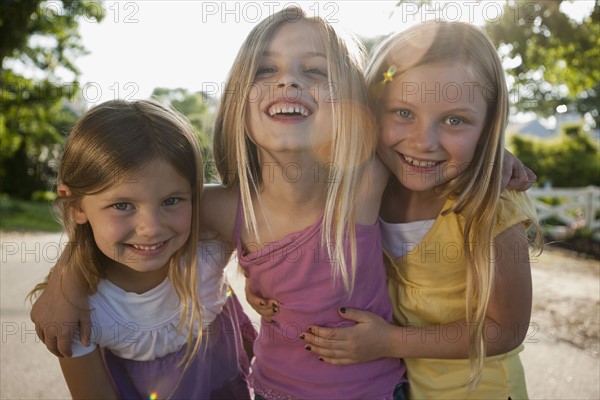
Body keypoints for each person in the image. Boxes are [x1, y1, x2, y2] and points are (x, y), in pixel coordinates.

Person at [29, 10, 533, 400]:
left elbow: (420, 142)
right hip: (271, 390)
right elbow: (137, 223)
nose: (288, 82)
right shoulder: (226, 208)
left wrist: (492, 156)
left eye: (314, 71)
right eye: (266, 69)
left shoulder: (365, 183)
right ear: (238, 99)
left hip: (375, 391)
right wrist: (67, 283)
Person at [293, 21, 544, 399]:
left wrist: (389, 342)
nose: (423, 142)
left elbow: (503, 329)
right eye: (403, 113)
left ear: (488, 127)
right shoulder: (369, 185)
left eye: (455, 120)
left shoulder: (491, 203)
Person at [28, 100, 253, 399]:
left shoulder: (206, 243)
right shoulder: (79, 314)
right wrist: (65, 281)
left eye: (171, 200)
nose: (151, 227)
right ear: (76, 206)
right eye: (122, 205)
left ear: (194, 194)